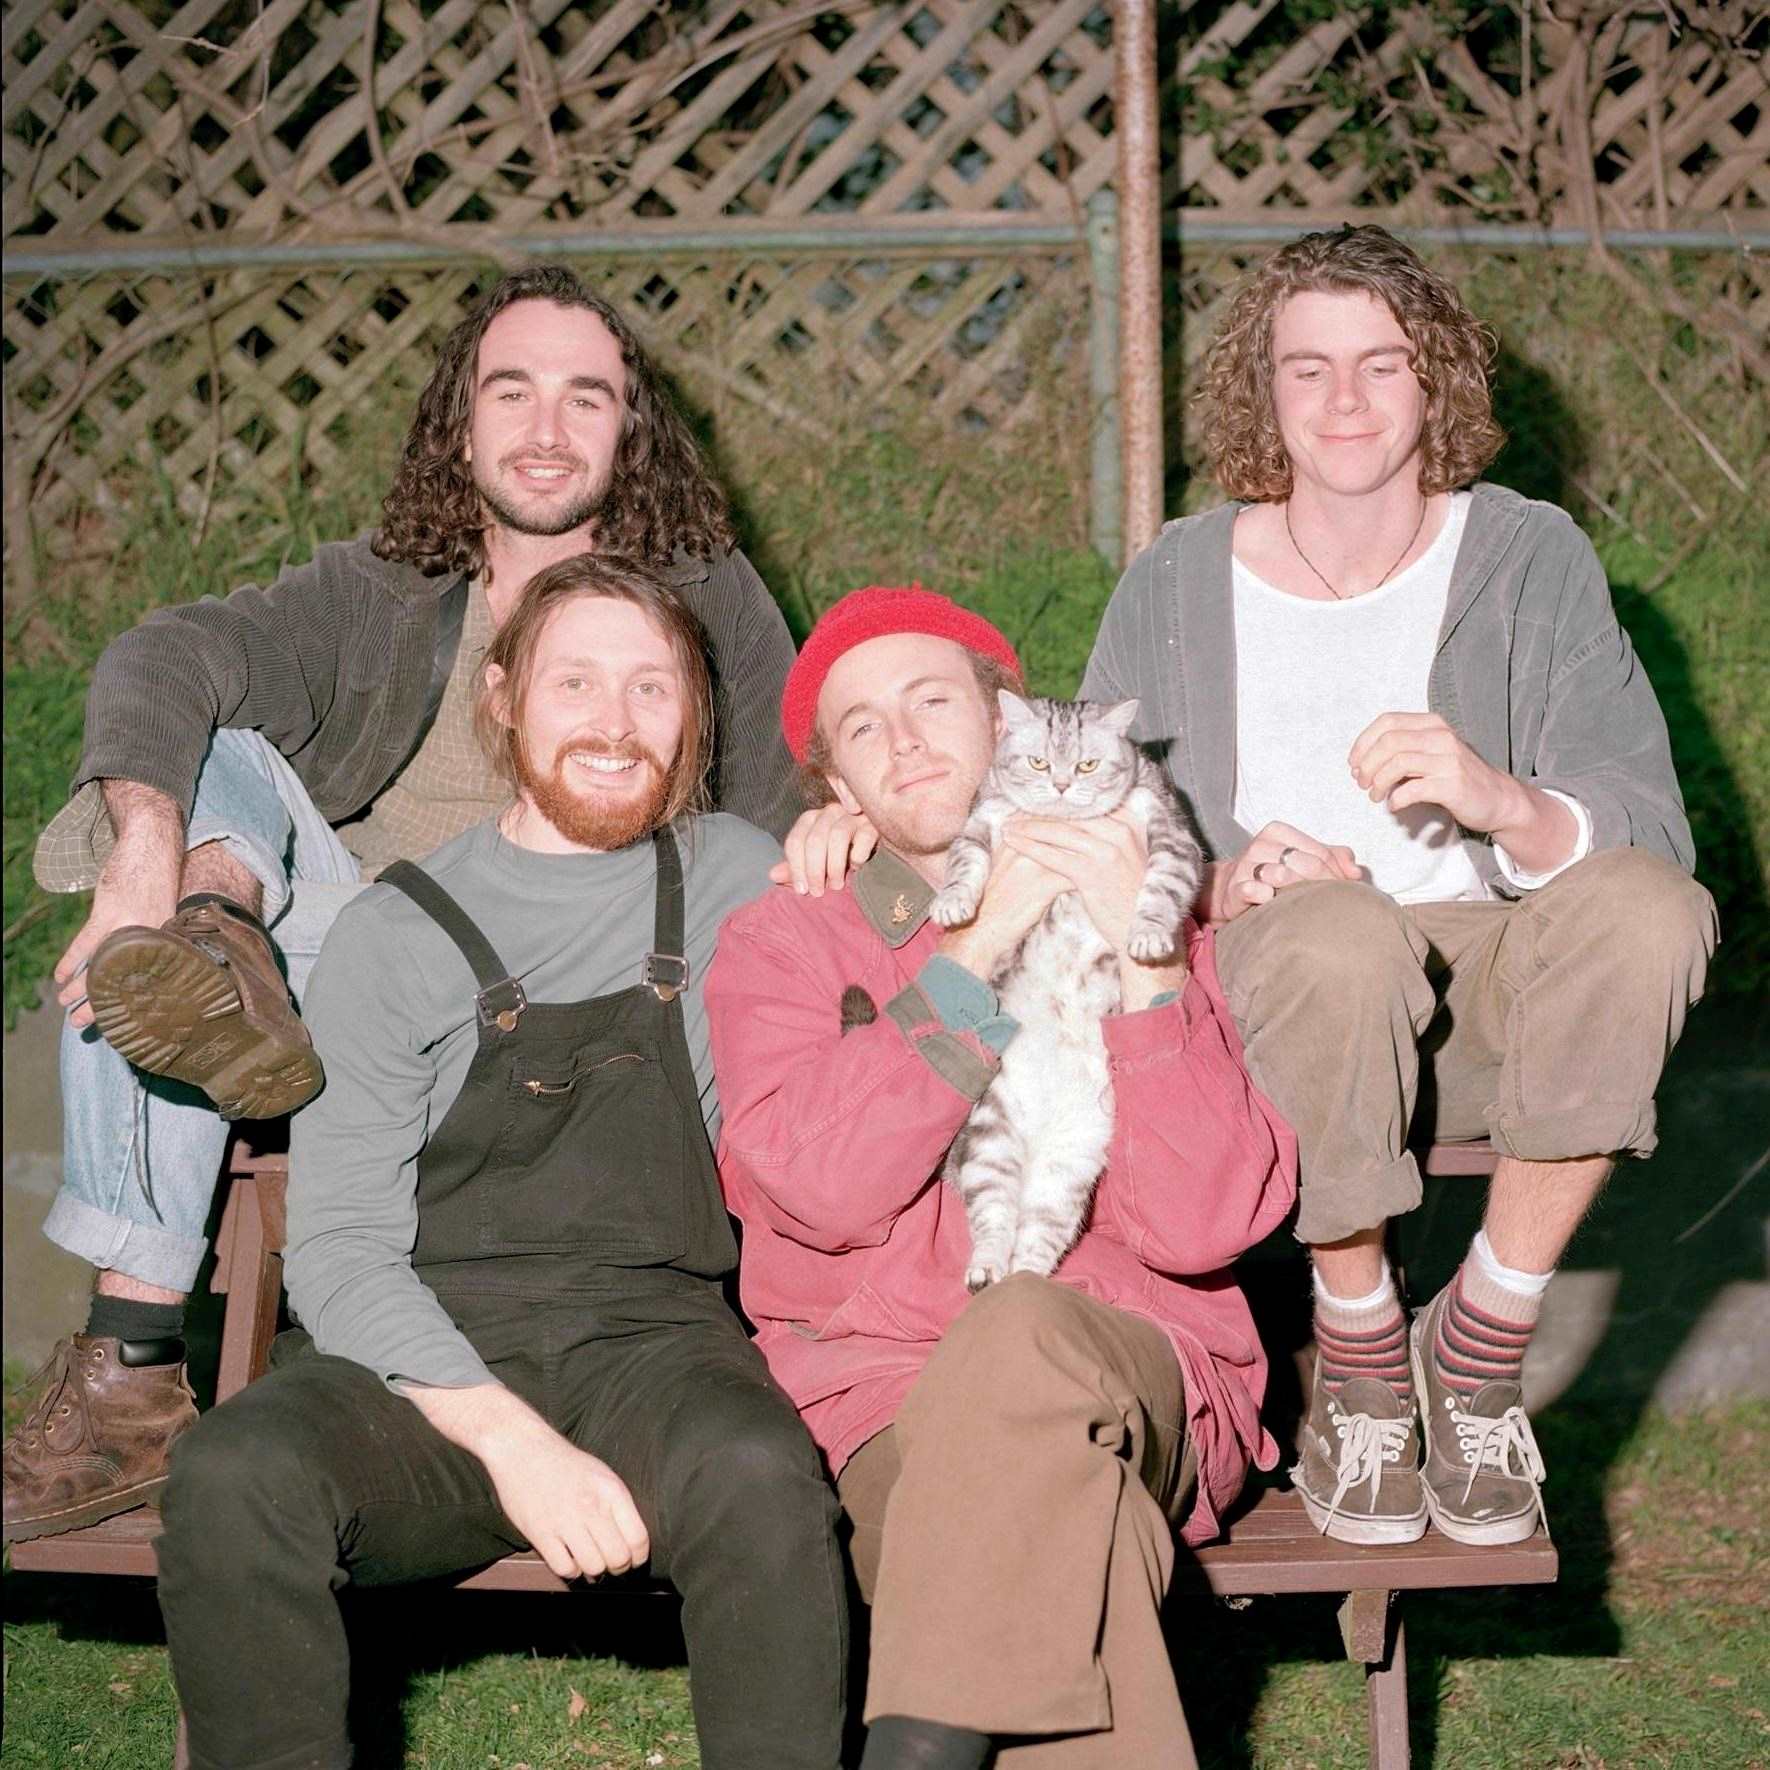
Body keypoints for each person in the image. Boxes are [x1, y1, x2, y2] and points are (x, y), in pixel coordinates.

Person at [5, 266, 801, 1544]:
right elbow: (164, 654)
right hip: (349, 960)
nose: (546, 429)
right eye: (511, 391)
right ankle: (210, 949)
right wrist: (147, 857)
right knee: (202, 789)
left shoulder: (700, 603)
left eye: (586, 398)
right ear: (460, 421)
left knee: (198, 935)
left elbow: (781, 821)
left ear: (631, 431)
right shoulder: (385, 591)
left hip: (582, 978)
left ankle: (140, 1312)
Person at [153, 554, 848, 1770]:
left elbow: (923, 960)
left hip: (655, 1348)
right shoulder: (394, 932)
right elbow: (340, 1248)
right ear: (502, 698)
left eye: (650, 687)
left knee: (759, 1477)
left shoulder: (740, 874)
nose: (614, 724)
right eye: (575, 682)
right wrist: (515, 1448)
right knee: (233, 1474)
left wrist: (868, 843)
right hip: (428, 1367)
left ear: (693, 714)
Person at [1080, 224, 1717, 1547]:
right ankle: (1362, 1351)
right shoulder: (1178, 577)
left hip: (1491, 997)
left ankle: (1481, 1336)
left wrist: (1501, 798)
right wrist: (1218, 883)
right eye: (1306, 368)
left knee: (1652, 910)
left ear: (1434, 380)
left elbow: (1650, 828)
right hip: (1278, 1002)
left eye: (1380, 364)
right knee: (1337, 933)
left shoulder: (1526, 554)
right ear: (1262, 390)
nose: (1344, 402)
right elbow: (1096, 825)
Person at [705, 585, 1299, 1770]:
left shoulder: (1153, 910)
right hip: (890, 1404)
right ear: (836, 785)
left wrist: (1148, 968)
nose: (904, 740)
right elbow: (825, 1187)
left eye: (931, 702)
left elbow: (1205, 1224)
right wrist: (972, 951)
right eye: (863, 726)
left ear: (1007, 723)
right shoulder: (790, 943)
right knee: (1069, 1536)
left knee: (1023, 1325)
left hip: (1135, 1369)